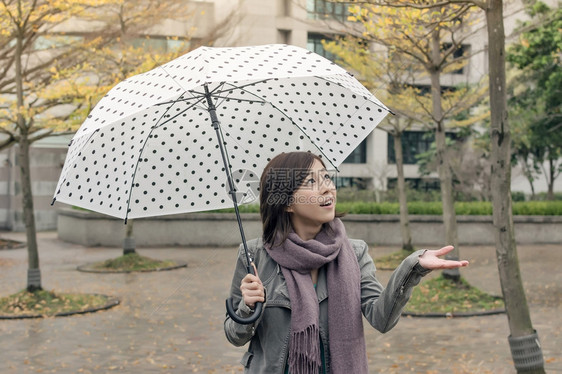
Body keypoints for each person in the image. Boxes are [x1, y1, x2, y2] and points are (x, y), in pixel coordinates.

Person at [224, 151, 468, 374]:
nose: (327, 189)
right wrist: (248, 307)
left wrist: (412, 268)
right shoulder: (254, 255)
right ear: (286, 202)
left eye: (327, 178)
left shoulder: (355, 252)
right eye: (311, 182)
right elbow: (235, 336)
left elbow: (381, 318)